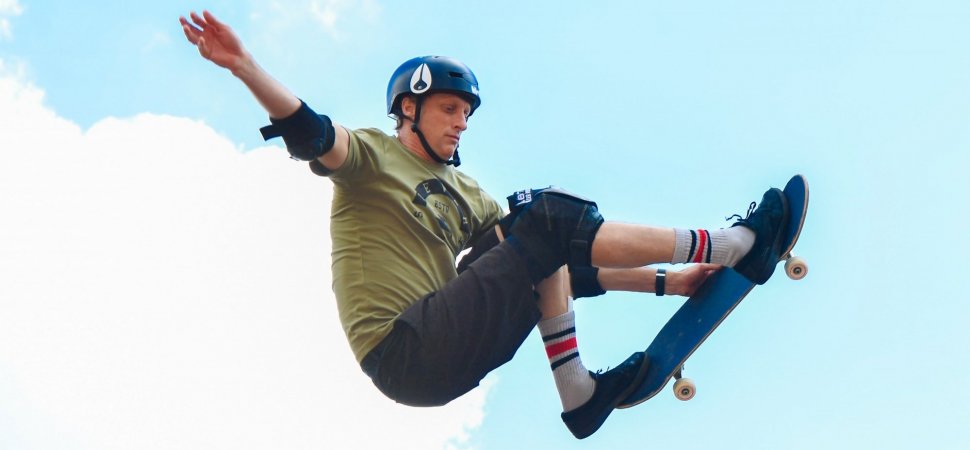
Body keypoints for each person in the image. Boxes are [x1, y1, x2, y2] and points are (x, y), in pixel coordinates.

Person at [179, 10, 790, 439]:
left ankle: (578, 394)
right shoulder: (370, 155)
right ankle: (733, 244)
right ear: (407, 110)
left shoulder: (469, 192)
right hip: (402, 349)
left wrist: (667, 282)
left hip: (449, 347)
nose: (459, 123)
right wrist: (245, 66)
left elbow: (562, 266)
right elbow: (310, 131)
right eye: (448, 109)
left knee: (536, 229)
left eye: (466, 114)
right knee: (545, 215)